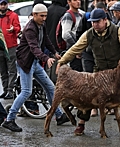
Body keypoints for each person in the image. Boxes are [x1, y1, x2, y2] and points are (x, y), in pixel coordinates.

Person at [56, 8, 120, 136]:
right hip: (100, 70)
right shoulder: (89, 34)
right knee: (87, 94)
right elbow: (75, 48)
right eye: (92, 22)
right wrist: (62, 61)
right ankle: (81, 123)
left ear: (105, 20)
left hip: (116, 71)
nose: (94, 24)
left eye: (97, 22)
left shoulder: (117, 31)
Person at [1, 4, 70, 132]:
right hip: (25, 63)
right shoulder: (30, 29)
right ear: (34, 15)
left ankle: (59, 115)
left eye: (45, 16)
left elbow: (46, 41)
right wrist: (46, 58)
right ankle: (10, 119)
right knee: (26, 91)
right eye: (42, 16)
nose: (44, 18)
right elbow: (34, 48)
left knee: (50, 87)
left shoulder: (41, 25)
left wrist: (54, 52)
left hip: (35, 62)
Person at [0, 0, 21, 99]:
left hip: (11, 46)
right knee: (3, 70)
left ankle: (10, 90)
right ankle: (5, 89)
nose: (3, 6)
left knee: (12, 69)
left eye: (4, 4)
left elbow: (18, 28)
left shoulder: (13, 15)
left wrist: (14, 29)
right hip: (1, 47)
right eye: (1, 4)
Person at [45, 0, 67, 83]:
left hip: (47, 43)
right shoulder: (64, 11)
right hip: (59, 44)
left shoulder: (48, 10)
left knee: (48, 67)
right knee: (57, 69)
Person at [61, 0, 84, 72]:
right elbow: (65, 35)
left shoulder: (81, 14)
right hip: (73, 49)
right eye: (75, 0)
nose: (78, 2)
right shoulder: (68, 16)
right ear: (69, 2)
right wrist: (76, 48)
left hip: (80, 49)